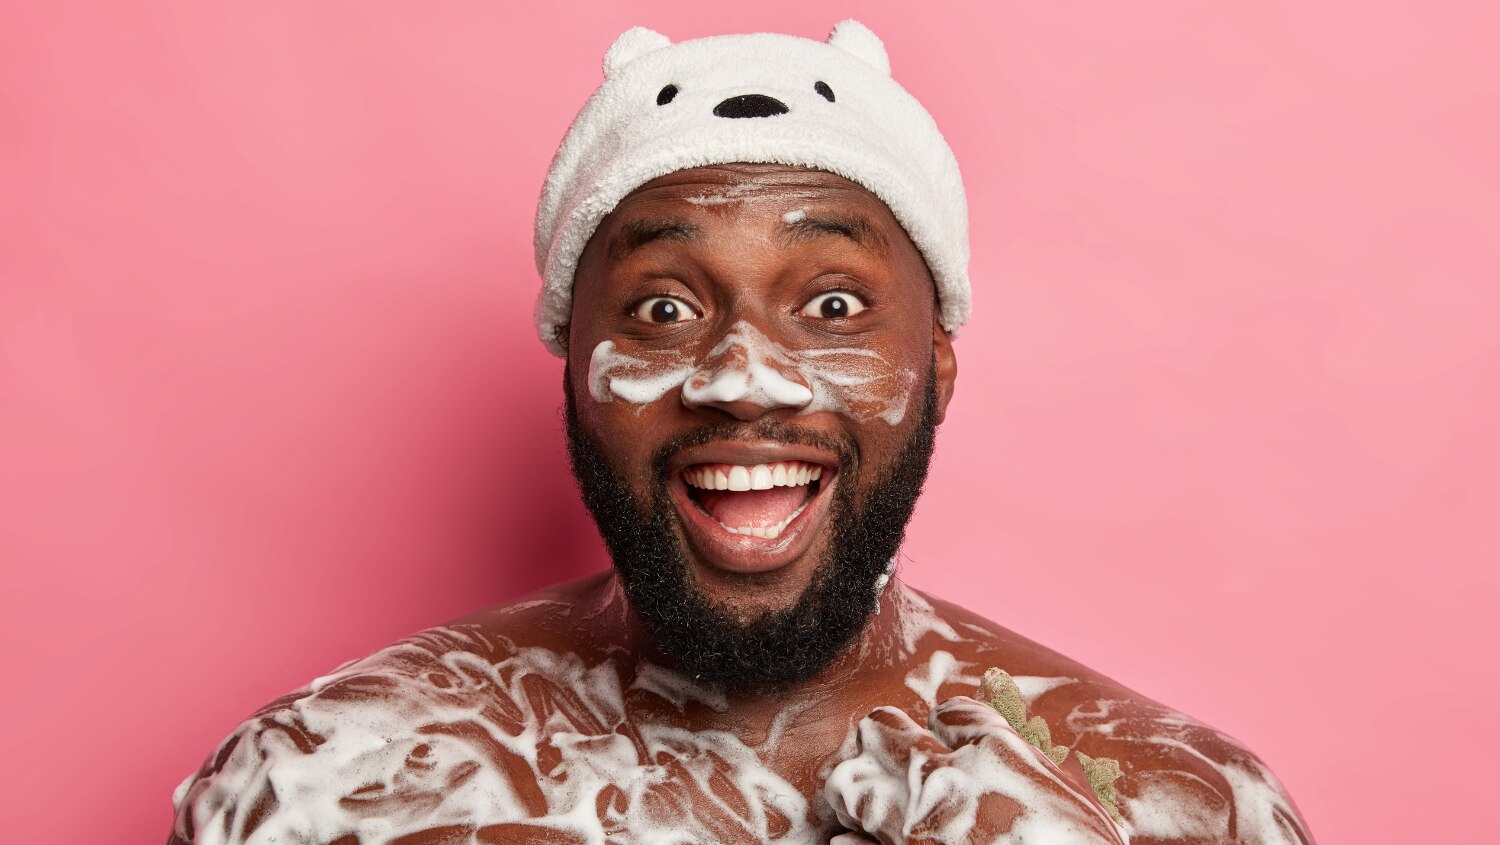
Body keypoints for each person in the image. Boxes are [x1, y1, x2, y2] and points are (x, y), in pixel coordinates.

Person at [168, 21, 1314, 845]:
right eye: (665, 309)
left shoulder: (1180, 810)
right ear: (574, 370)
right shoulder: (321, 789)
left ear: (938, 367)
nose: (742, 378)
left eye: (832, 305)